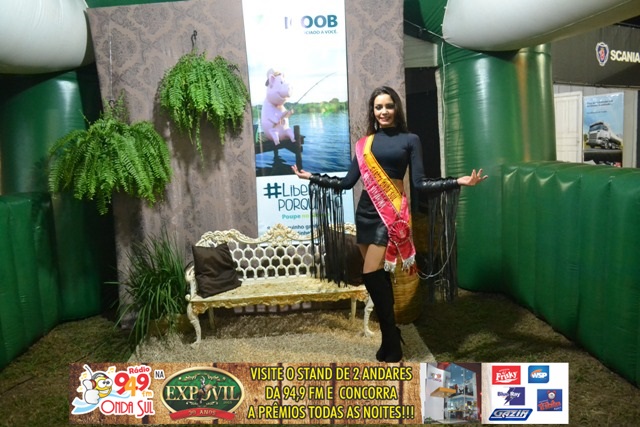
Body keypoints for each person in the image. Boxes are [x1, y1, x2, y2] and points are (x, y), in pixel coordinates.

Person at [292, 86, 487, 362]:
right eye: (378, 107)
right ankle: (391, 334)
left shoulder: (410, 140)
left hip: (390, 215)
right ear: (373, 112)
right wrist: (312, 177)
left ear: (396, 108)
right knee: (378, 279)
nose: (383, 111)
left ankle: (391, 340)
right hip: (365, 213)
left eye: (388, 106)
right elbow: (347, 183)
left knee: (371, 273)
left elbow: (419, 183)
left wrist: (457, 181)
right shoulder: (365, 144)